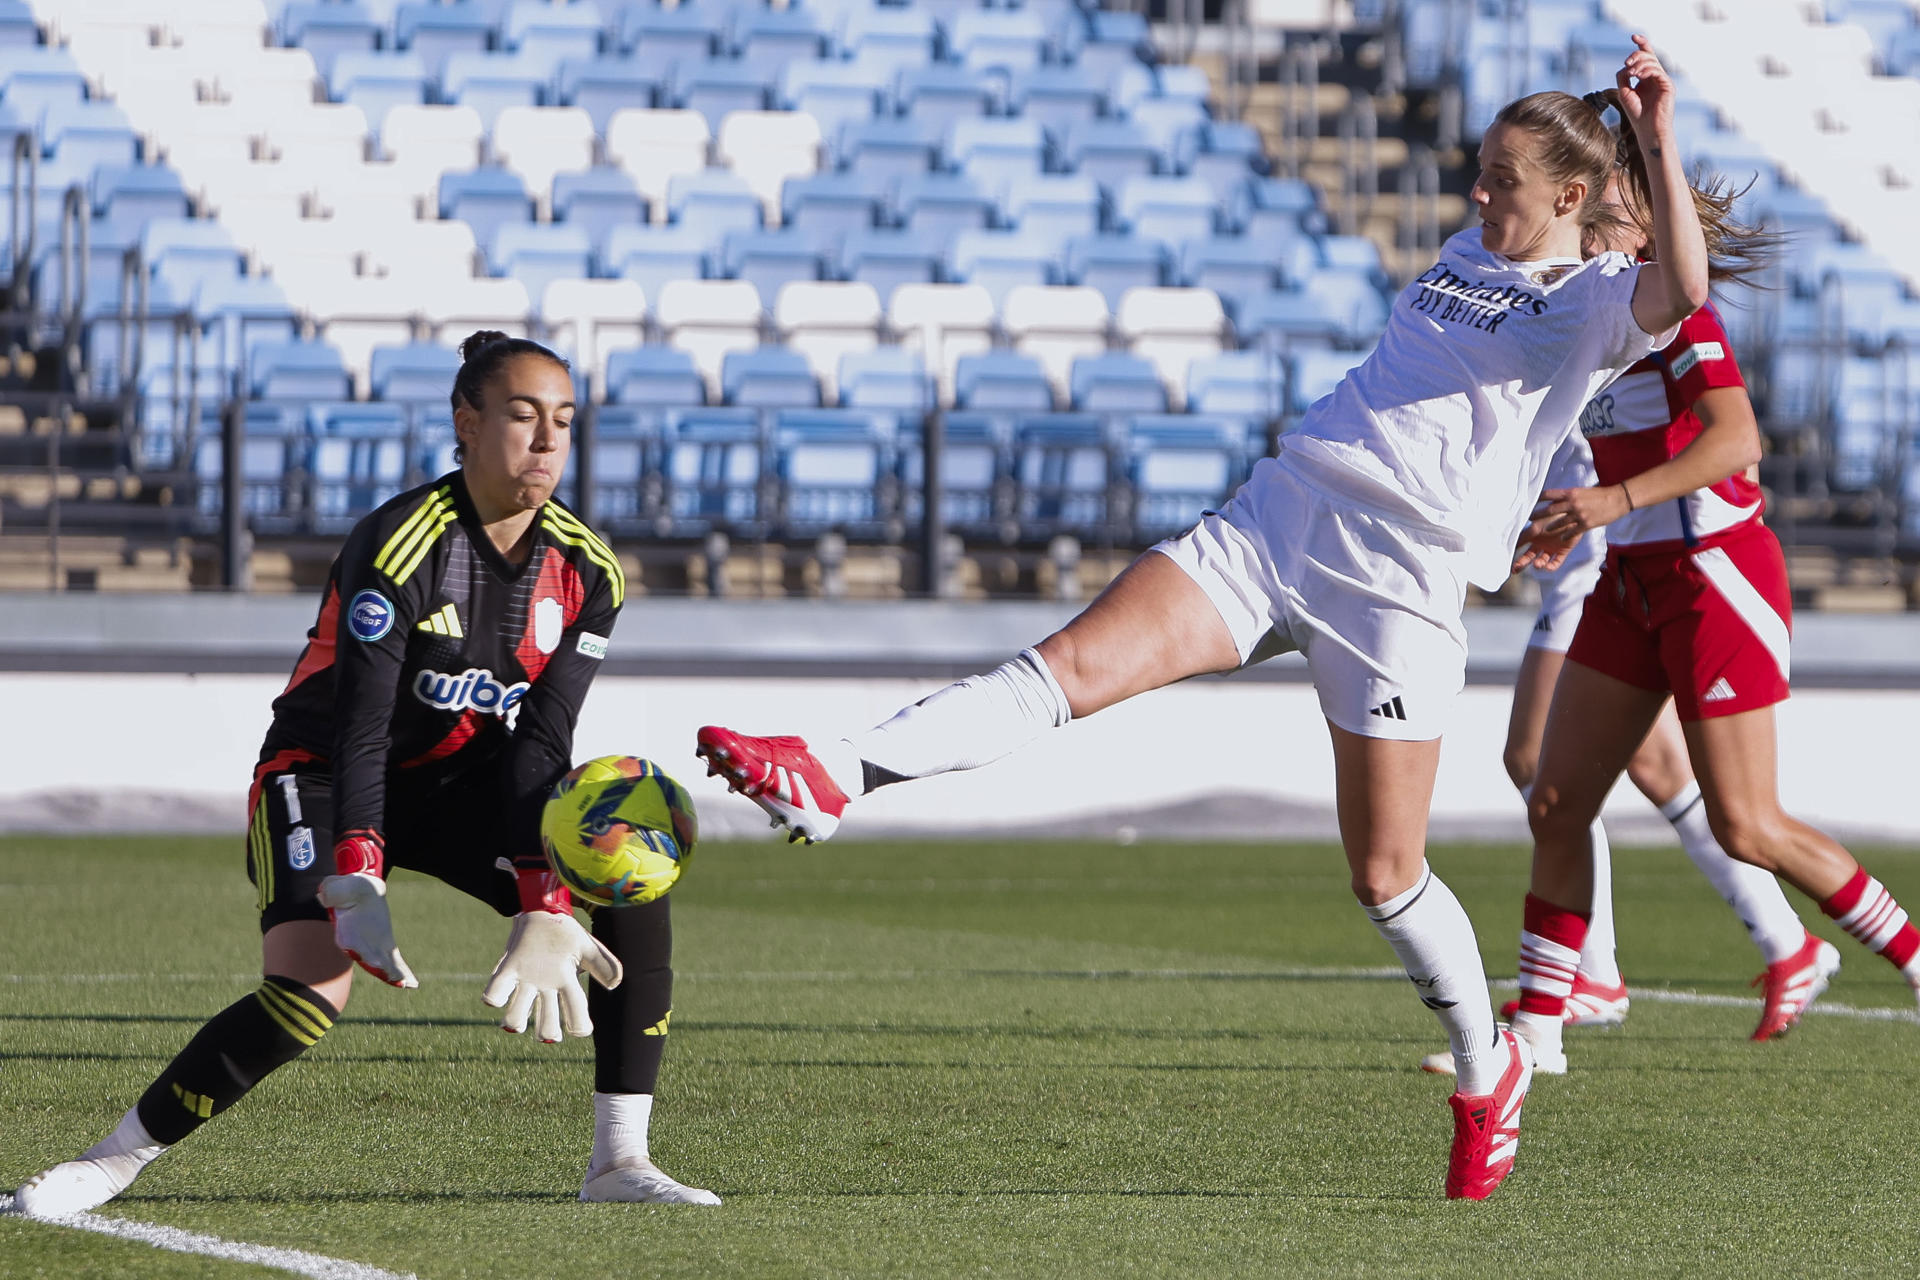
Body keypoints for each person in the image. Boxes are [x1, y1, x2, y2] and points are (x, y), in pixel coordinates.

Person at [698, 36, 1709, 1201]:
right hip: (1282, 514)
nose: (1477, 193)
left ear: (1572, 197)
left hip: (1400, 583)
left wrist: (1662, 134)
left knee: (1385, 877)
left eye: (1502, 180)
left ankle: (1494, 1067)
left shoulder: (1590, 303)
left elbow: (1679, 287)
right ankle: (833, 773)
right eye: (1480, 171)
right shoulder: (1466, 248)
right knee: (1064, 665)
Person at [14, 332, 720, 1216]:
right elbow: (359, 727)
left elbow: (542, 743)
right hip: (320, 771)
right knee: (312, 989)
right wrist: (359, 863)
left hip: (463, 782)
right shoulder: (399, 542)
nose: (547, 442)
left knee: (628, 887)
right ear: (467, 423)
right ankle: (109, 1163)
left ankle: (619, 1161)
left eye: (565, 423)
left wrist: (546, 898)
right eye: (523, 416)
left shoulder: (590, 570)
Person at [1507, 133, 1920, 1072]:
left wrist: (1607, 504)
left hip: (1715, 576)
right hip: (1632, 576)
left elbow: (1737, 441)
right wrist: (1560, 521)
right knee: (1557, 797)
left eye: (1607, 222)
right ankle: (1535, 1037)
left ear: (1652, 235)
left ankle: (1908, 956)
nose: (1591, 238)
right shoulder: (1589, 318)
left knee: (1750, 825)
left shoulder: (1678, 318)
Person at [1420, 428, 1828, 1080]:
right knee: (1649, 765)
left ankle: (1595, 974)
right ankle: (1782, 941)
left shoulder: (1596, 334)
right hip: (1592, 556)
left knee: (1537, 760)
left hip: (1602, 558)